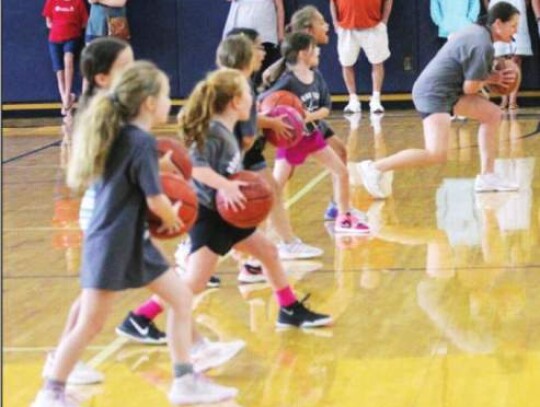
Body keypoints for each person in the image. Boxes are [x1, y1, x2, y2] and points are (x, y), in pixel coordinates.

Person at [31, 61, 238, 407]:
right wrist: (172, 216)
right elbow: (155, 196)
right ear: (148, 103)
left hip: (134, 239)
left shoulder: (126, 137)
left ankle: (185, 380)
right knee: (91, 323)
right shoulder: (139, 141)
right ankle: (51, 391)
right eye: (167, 95)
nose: (171, 101)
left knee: (181, 299)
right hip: (112, 241)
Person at [179, 68, 333, 328]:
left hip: (228, 210)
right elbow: (195, 167)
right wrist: (226, 186)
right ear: (236, 102)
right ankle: (143, 316)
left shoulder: (230, 133)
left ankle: (288, 309)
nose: (254, 102)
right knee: (195, 282)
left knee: (269, 252)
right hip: (209, 215)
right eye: (249, 97)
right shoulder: (215, 132)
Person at [358, 2, 521, 199]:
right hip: (433, 93)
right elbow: (469, 88)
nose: (516, 30)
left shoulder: (478, 33)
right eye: (513, 25)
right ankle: (374, 168)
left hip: (448, 91)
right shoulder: (482, 44)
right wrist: (492, 78)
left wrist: (489, 76)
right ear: (497, 24)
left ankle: (488, 176)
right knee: (436, 153)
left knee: (492, 114)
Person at [262, 32, 371, 234]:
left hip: (312, 137)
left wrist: (305, 117)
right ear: (304, 53)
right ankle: (264, 225)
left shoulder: (317, 76)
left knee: (341, 171)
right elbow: (264, 103)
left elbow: (326, 108)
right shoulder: (287, 81)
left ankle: (344, 218)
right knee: (276, 187)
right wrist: (280, 118)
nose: (319, 51)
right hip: (291, 140)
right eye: (315, 48)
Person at [264, 5, 351, 222]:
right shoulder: (290, 72)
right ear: (309, 30)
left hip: (310, 120)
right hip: (295, 125)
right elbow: (268, 101)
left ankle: (338, 207)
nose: (327, 25)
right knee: (284, 175)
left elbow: (323, 106)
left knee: (340, 151)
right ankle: (266, 215)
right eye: (322, 22)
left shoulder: (310, 66)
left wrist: (310, 116)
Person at [329, 0, 393, 114]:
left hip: (374, 25)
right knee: (346, 63)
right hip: (346, 26)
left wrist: (384, 21)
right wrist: (335, 22)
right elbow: (332, 2)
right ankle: (353, 99)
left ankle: (376, 99)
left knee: (377, 62)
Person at [223, 0, 285, 88]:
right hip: (240, 31)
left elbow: (280, 7)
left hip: (266, 34)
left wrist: (280, 32)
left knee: (261, 75)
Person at [42, 0, 88, 116]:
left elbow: (84, 23)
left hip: (72, 38)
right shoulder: (52, 1)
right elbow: (48, 22)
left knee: (68, 59)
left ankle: (67, 94)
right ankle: (65, 100)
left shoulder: (78, 3)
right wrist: (59, 28)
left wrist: (71, 28)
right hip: (54, 39)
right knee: (59, 70)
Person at [485, 0, 533, 109]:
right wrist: (491, 8)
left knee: (516, 58)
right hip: (498, 7)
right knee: (499, 57)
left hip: (517, 7)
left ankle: (512, 100)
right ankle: (504, 98)